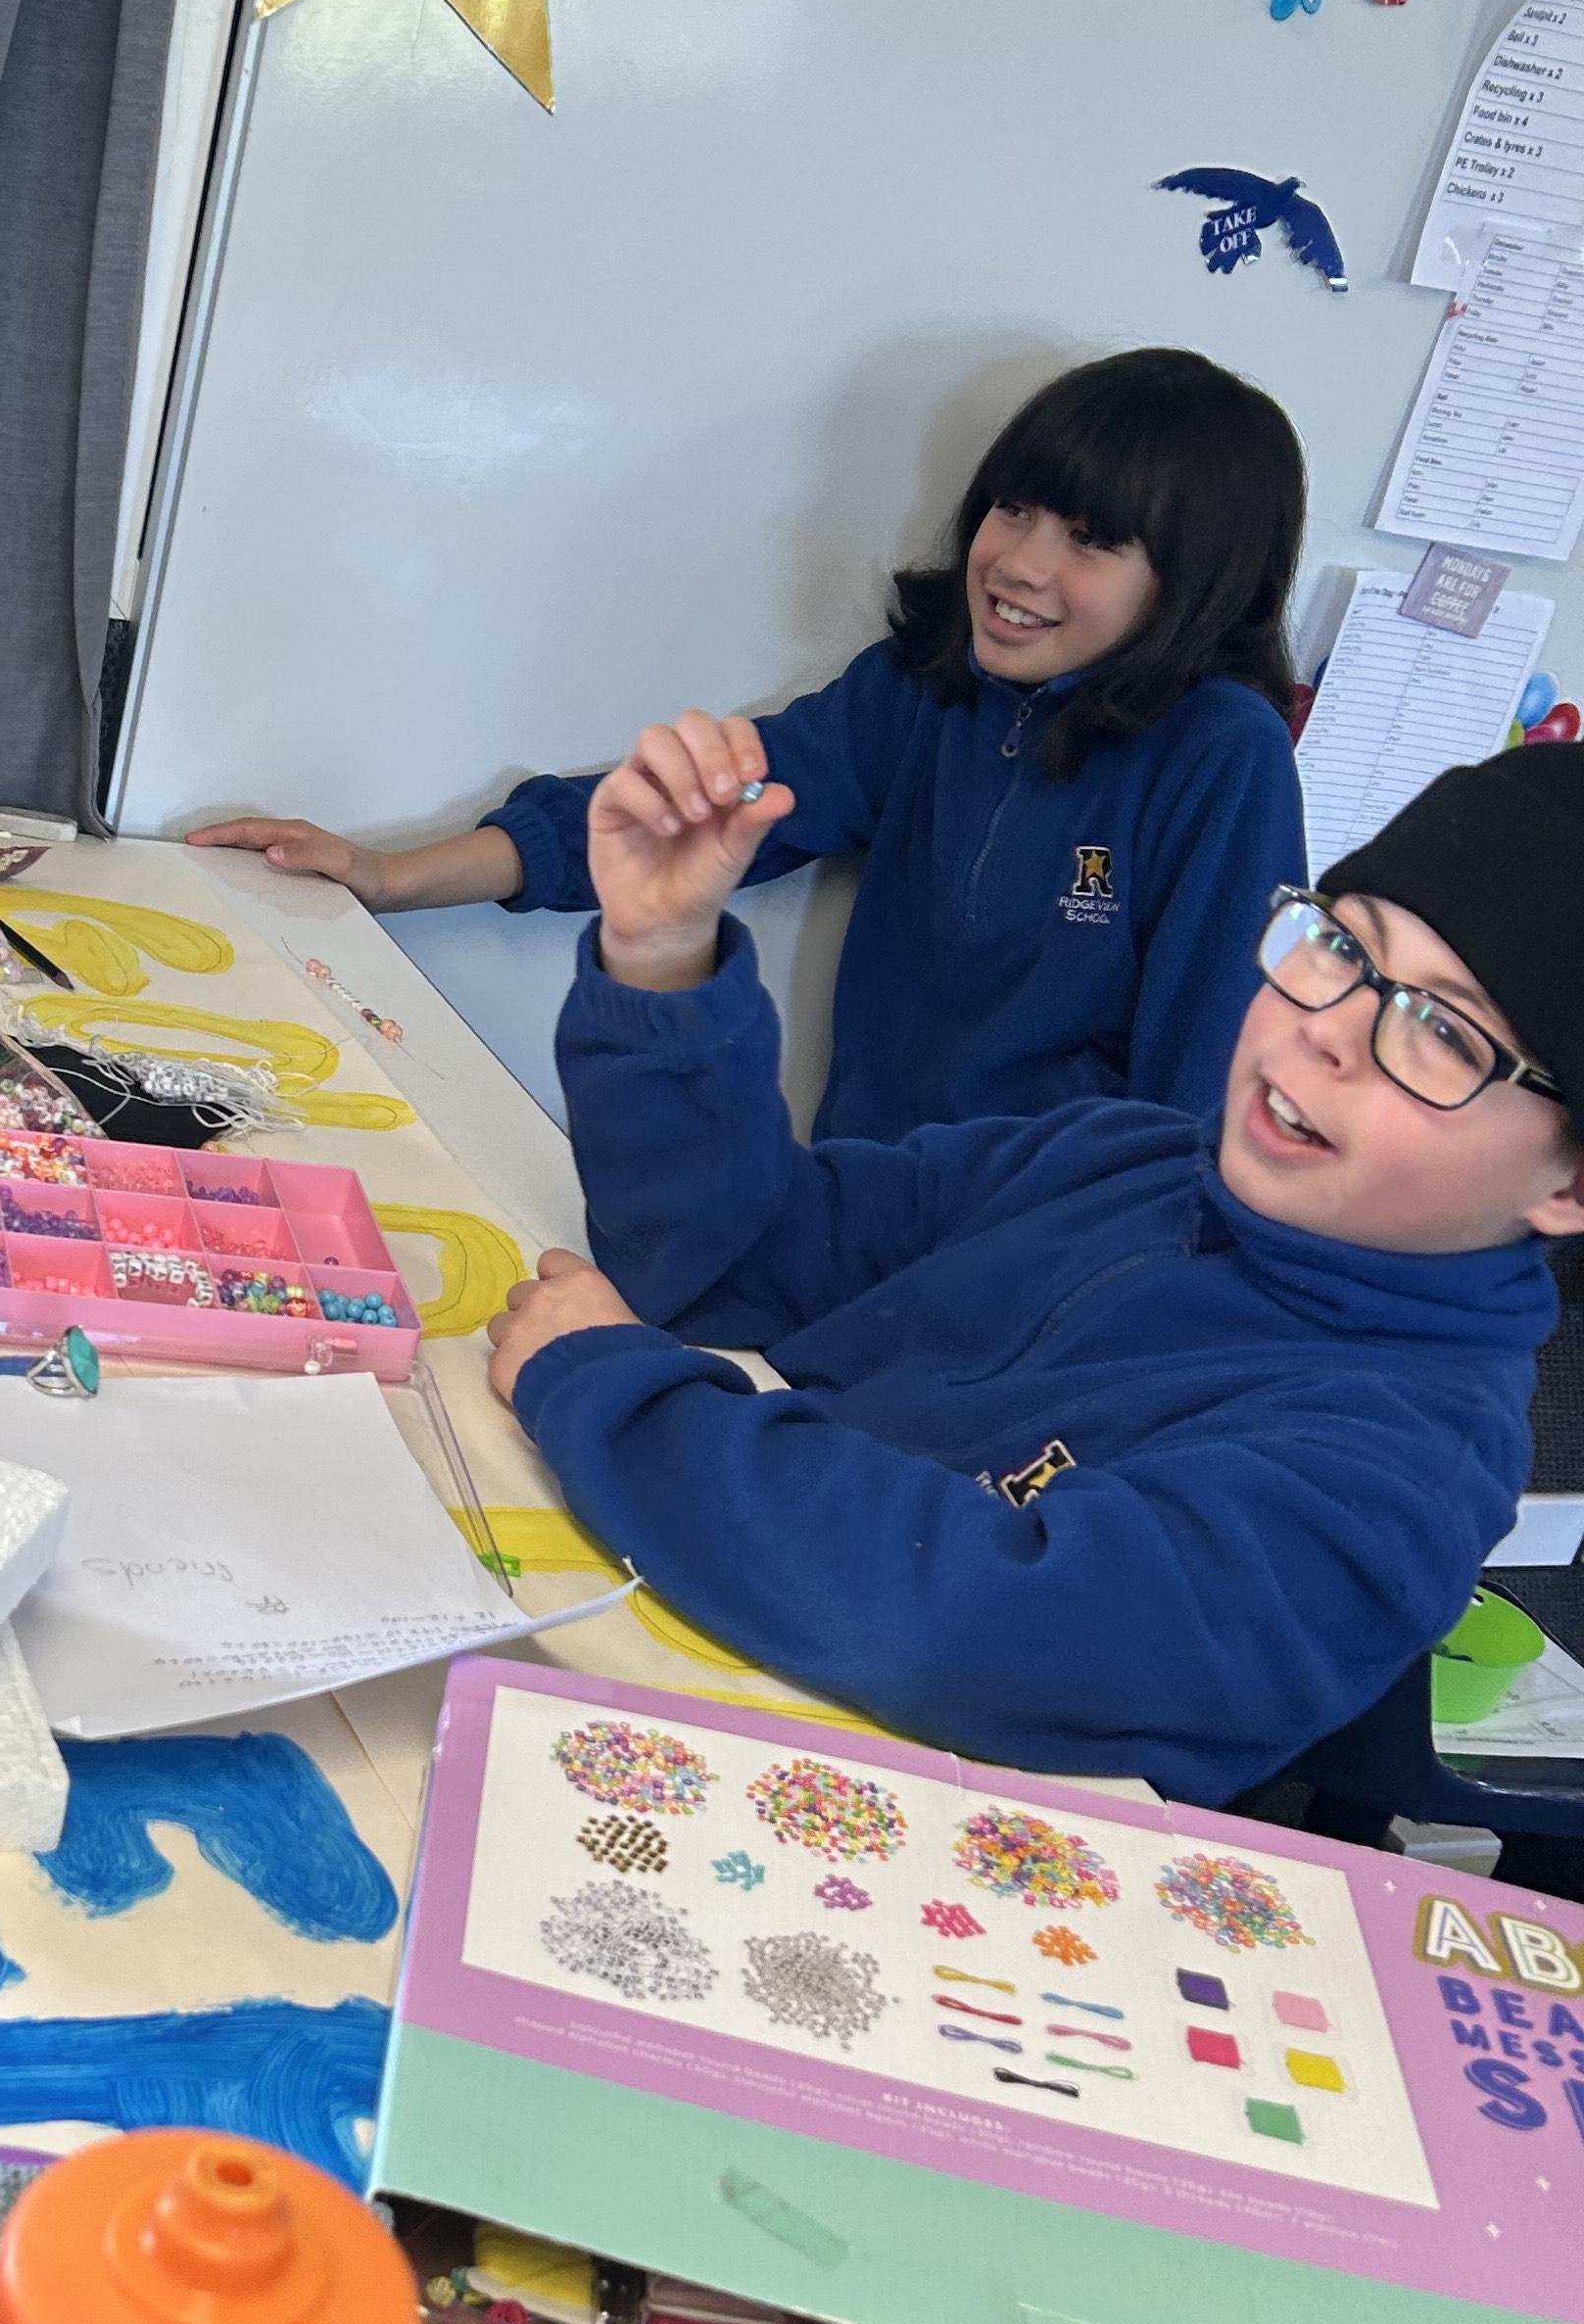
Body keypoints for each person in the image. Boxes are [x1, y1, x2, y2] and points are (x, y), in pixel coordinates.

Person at [481, 733, 1584, 1809]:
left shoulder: (1404, 1472)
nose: (1329, 1029)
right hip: (650, 1673)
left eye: (1444, 1031)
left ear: (1569, 1190)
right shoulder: (1117, 1156)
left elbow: (969, 1624)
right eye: (1341, 947)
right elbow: (736, 1259)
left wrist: (618, 1398)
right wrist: (663, 960)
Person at [192, 350, 1308, 1139]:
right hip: (855, 1229)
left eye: (1090, 541)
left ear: (1194, 582)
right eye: (1013, 510)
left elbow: (1209, 1093)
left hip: (1043, 1289)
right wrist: (389, 877)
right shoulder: (922, 691)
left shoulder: (1224, 755)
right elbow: (679, 814)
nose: (1018, 563)